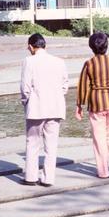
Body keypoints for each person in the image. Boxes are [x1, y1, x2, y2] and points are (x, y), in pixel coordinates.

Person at [75, 32, 109, 179]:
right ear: (107, 46)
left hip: (96, 103)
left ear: (91, 47)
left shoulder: (89, 64)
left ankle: (103, 171)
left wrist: (79, 105)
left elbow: (83, 86)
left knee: (99, 137)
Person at [19, 33, 69, 186]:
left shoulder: (29, 61)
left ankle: (31, 177)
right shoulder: (59, 62)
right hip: (55, 108)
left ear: (30, 47)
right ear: (45, 45)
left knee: (33, 142)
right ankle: (48, 179)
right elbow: (65, 86)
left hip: (36, 108)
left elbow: (25, 87)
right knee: (51, 145)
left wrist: (26, 102)